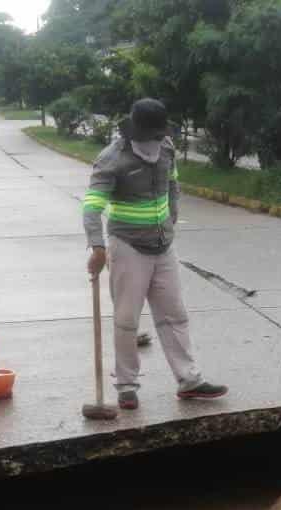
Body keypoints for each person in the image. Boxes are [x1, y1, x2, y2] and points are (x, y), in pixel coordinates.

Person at [83, 98, 227, 410]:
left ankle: (190, 380)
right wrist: (97, 247)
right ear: (135, 132)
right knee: (126, 319)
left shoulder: (166, 149)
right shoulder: (112, 159)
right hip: (127, 247)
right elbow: (92, 207)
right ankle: (126, 386)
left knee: (175, 314)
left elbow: (173, 184)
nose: (155, 141)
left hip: (164, 246)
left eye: (159, 135)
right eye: (151, 135)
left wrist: (171, 216)